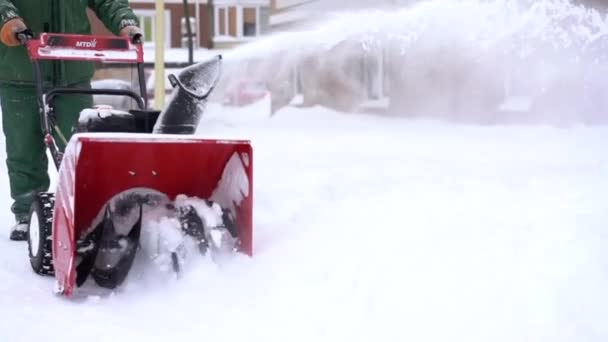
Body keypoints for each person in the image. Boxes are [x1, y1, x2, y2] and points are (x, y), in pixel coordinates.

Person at [0, 1, 143, 240]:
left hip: (72, 68)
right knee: (23, 148)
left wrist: (125, 22)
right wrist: (8, 18)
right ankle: (27, 214)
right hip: (20, 69)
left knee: (78, 147)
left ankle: (85, 210)